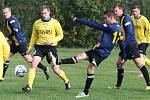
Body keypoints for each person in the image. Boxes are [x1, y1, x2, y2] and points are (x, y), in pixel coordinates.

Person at [60, 10, 126, 98]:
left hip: (102, 53)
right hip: (97, 50)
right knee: (79, 56)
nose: (105, 20)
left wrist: (78, 20)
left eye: (105, 18)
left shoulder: (110, 27)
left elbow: (93, 24)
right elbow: (121, 42)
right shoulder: (118, 27)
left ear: (111, 18)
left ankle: (85, 92)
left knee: (90, 68)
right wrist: (123, 55)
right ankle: (58, 61)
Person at [22, 5, 71, 92]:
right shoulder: (36, 23)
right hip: (39, 47)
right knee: (33, 64)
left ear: (49, 12)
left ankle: (66, 81)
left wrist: (52, 40)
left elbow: (61, 35)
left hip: (51, 48)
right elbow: (34, 36)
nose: (44, 15)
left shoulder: (55, 23)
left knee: (56, 70)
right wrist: (30, 48)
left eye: (45, 13)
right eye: (42, 13)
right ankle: (29, 86)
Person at [2, 6, 50, 80]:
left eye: (6, 12)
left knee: (29, 60)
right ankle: (2, 76)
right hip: (15, 44)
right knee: (6, 58)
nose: (5, 14)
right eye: (3, 13)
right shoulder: (8, 20)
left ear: (10, 12)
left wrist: (7, 37)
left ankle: (45, 69)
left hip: (20, 43)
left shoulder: (11, 20)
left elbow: (16, 30)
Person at [110, 2, 150, 90]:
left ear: (121, 10)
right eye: (114, 11)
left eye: (116, 11)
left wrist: (124, 47)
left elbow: (129, 33)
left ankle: (149, 84)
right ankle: (118, 85)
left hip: (130, 45)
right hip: (127, 45)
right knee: (119, 64)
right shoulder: (123, 18)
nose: (115, 12)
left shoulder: (127, 19)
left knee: (139, 63)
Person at [131, 5, 150, 77]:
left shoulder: (144, 20)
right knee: (140, 57)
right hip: (135, 41)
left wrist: (147, 40)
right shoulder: (131, 18)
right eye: (133, 11)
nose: (134, 13)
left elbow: (148, 30)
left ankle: (142, 72)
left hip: (144, 40)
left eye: (136, 11)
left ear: (139, 11)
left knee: (140, 56)